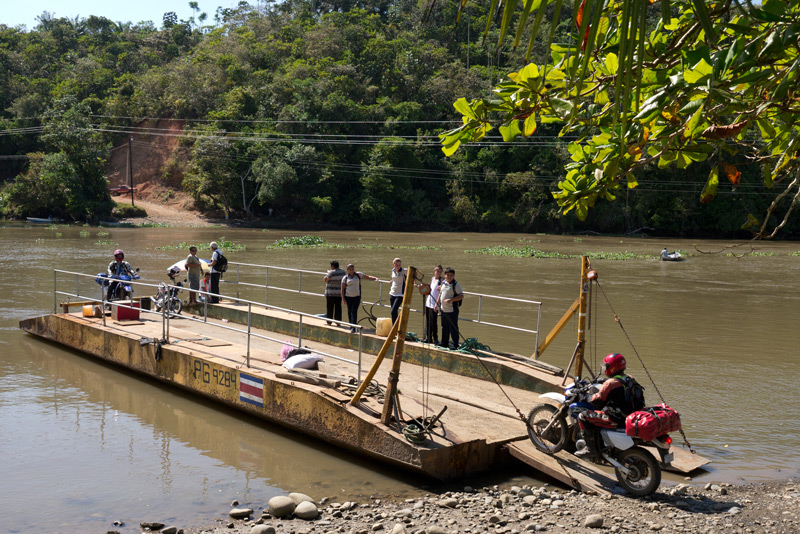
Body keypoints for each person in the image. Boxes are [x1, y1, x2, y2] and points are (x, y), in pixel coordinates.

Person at [574, 353, 644, 459]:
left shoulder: (610, 384)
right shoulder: (629, 378)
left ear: (611, 367)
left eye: (606, 366)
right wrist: (603, 380)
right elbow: (619, 386)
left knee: (583, 416)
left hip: (616, 418)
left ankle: (591, 450)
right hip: (630, 415)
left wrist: (583, 396)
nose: (604, 368)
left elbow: (597, 401)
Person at [340, 264, 378, 333]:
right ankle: (351, 326)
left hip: (356, 297)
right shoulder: (345, 278)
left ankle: (354, 327)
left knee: (354, 311)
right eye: (350, 269)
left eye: (352, 269)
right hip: (348, 297)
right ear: (347, 270)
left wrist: (375, 278)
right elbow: (342, 289)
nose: (352, 270)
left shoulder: (358, 275)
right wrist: (343, 298)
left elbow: (367, 277)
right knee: (349, 311)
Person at [436, 267, 464, 350]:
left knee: (453, 326)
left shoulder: (456, 284)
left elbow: (461, 296)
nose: (449, 277)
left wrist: (451, 300)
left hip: (452, 309)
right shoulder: (443, 282)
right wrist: (436, 304)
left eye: (451, 275)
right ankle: (444, 342)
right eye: (447, 275)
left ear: (454, 276)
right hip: (443, 309)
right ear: (445, 275)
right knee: (444, 326)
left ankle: (454, 344)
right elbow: (441, 293)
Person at [423, 265, 444, 344]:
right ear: (434, 271)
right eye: (437, 271)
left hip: (435, 303)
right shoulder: (432, 279)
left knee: (433, 321)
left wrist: (437, 304)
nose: (438, 273)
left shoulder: (441, 280)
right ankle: (428, 338)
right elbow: (429, 289)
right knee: (428, 321)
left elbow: (443, 290)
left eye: (440, 272)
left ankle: (435, 338)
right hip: (428, 302)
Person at [323, 260, 346, 325]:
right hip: (339, 293)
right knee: (338, 307)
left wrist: (328, 273)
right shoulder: (343, 272)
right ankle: (338, 322)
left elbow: (325, 279)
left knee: (330, 307)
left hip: (330, 293)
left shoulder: (331, 272)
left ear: (332, 266)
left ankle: (329, 322)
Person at [389, 258, 406, 324]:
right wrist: (392, 280)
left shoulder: (404, 270)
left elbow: (414, 272)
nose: (398, 266)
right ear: (394, 265)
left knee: (393, 311)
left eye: (399, 265)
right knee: (394, 312)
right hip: (392, 293)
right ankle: (394, 327)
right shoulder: (393, 270)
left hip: (400, 294)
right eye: (396, 265)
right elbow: (394, 277)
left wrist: (414, 282)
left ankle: (396, 327)